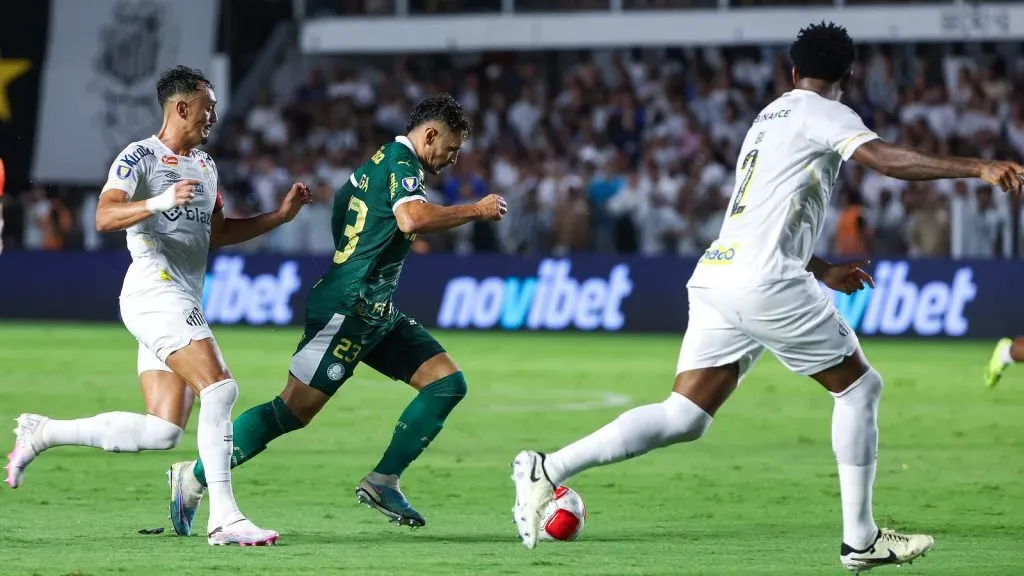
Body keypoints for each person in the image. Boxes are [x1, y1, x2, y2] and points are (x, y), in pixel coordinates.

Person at [510, 21, 1024, 572]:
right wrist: (978, 167)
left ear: (793, 70)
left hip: (718, 274)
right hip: (765, 280)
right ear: (846, 77)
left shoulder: (767, 118)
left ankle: (547, 466)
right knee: (859, 388)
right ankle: (860, 539)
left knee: (684, 415)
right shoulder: (826, 111)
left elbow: (765, 214)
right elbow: (884, 160)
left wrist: (822, 268)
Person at [165, 93, 507, 537]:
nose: (453, 158)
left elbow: (344, 205)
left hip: (374, 309)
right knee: (291, 412)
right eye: (452, 147)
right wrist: (476, 210)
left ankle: (383, 480)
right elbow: (410, 219)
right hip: (349, 308)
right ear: (429, 134)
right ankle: (192, 477)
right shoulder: (403, 165)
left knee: (446, 383)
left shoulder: (372, 165)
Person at [4, 65, 312, 546]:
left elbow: (219, 233)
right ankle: (225, 519)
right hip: (153, 288)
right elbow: (106, 215)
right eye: (207, 106)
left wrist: (279, 217)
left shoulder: (206, 166)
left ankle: (42, 432)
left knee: (162, 430)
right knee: (221, 390)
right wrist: (158, 201)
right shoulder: (139, 157)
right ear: (182, 106)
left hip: (181, 294)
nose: (213, 115)